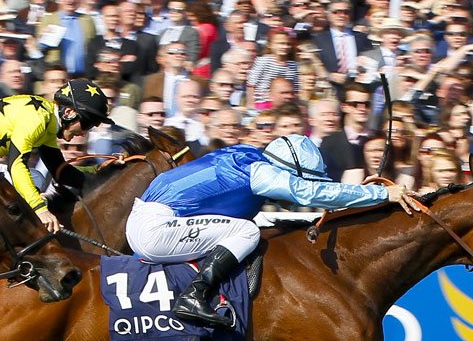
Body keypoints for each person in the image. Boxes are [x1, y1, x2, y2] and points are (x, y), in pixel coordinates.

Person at [126, 134, 416, 328]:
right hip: (156, 229)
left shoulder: (245, 156)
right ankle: (194, 296)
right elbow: (307, 193)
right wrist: (381, 196)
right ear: (287, 171)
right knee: (247, 232)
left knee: (249, 227)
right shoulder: (261, 172)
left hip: (152, 221)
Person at [0, 77, 113, 233]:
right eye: (88, 124)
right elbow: (16, 165)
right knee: (34, 180)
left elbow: (62, 172)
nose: (84, 133)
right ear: (69, 112)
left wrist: (107, 169)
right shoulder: (37, 118)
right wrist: (40, 209)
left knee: (35, 180)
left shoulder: (47, 120)